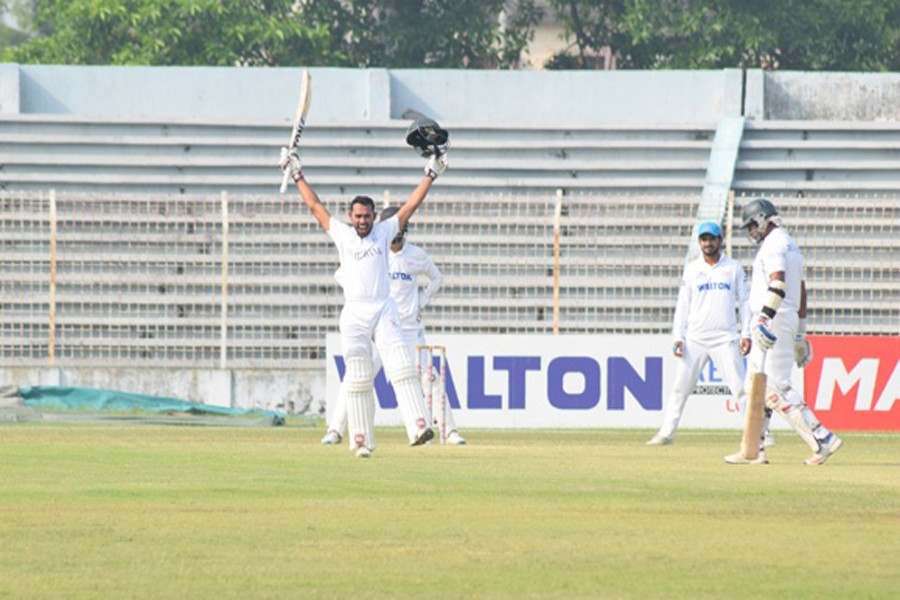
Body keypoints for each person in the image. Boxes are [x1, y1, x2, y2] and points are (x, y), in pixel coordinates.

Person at [278, 145, 449, 458]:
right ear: (351, 216)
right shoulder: (342, 234)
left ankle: (417, 425)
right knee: (357, 377)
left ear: (373, 216)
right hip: (355, 312)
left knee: (401, 364)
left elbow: (411, 204)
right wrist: (296, 172)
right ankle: (362, 442)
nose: (362, 221)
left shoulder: (384, 232)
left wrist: (432, 173)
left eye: (367, 216)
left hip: (384, 307)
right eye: (357, 216)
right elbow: (315, 206)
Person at [322, 207, 466, 445]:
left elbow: (436, 277)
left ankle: (450, 431)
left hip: (408, 329)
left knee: (429, 378)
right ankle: (336, 430)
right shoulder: (374, 248)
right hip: (380, 328)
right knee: (356, 377)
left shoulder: (415, 255)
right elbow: (343, 273)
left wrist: (421, 302)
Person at [725, 198, 843, 465]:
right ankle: (754, 449)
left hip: (772, 317)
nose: (751, 232)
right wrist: (800, 333)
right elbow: (800, 291)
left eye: (752, 225)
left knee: (775, 386)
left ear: (765, 219)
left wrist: (765, 318)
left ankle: (822, 437)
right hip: (784, 317)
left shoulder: (775, 244)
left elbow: (777, 283)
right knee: (755, 385)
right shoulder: (791, 244)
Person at [647, 221, 753, 446]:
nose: (708, 243)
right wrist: (678, 336)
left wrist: (747, 333)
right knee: (680, 389)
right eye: (704, 239)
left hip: (725, 338)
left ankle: (757, 435)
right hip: (695, 338)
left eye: (712, 239)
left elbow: (745, 303)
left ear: (720, 240)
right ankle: (667, 433)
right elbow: (683, 306)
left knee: (740, 389)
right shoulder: (693, 269)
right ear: (699, 242)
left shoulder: (733, 268)